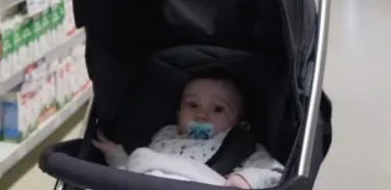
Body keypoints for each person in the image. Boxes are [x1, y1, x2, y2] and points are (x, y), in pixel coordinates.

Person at [93, 76, 284, 189]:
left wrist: (246, 179)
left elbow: (275, 172)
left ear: (239, 124)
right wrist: (118, 157)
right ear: (178, 114)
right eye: (192, 105)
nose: (201, 115)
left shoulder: (240, 145)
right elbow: (141, 167)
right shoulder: (166, 134)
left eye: (217, 109)